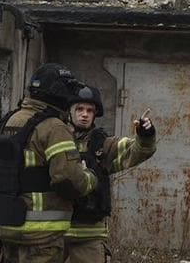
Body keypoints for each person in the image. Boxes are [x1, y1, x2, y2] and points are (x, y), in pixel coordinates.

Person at [0, 63, 97, 263]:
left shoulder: (6, 122)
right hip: (42, 234)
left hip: (8, 227)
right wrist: (90, 178)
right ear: (59, 92)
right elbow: (68, 180)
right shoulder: (54, 127)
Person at [63, 86, 158, 263]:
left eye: (90, 110)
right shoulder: (56, 139)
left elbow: (135, 150)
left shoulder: (103, 145)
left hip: (88, 234)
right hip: (54, 233)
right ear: (70, 111)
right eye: (80, 109)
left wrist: (145, 135)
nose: (84, 114)